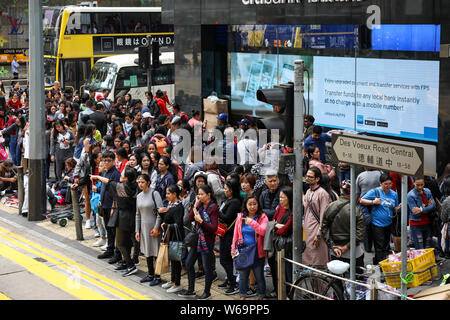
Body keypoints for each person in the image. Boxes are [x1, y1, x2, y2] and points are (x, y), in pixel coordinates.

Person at [91, 167, 139, 276]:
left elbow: (108, 182)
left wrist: (97, 177)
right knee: (127, 242)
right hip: (132, 216)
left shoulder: (121, 187)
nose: (120, 176)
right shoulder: (136, 187)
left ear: (126, 178)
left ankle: (131, 266)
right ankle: (126, 262)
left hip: (122, 217)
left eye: (123, 175)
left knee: (120, 243)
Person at [178, 185, 219, 300]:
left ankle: (207, 292)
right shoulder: (199, 204)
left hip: (207, 241)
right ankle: (191, 290)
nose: (199, 196)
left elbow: (213, 228)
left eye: (202, 194)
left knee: (207, 267)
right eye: (198, 194)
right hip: (197, 239)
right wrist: (195, 205)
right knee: (188, 263)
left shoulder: (213, 207)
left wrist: (201, 221)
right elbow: (189, 219)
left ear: (209, 194)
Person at [322, 180, 366, 269]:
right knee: (356, 279)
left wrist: (332, 246)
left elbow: (324, 228)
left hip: (335, 251)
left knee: (337, 280)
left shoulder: (330, 206)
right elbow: (360, 234)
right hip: (354, 252)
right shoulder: (356, 210)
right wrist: (346, 247)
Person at [231, 194, 268, 300]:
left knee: (259, 276)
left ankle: (261, 295)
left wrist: (252, 222)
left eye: (254, 204)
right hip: (243, 250)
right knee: (243, 276)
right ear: (245, 205)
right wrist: (233, 249)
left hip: (257, 251)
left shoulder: (262, 217)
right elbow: (236, 235)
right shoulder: (241, 217)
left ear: (258, 205)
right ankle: (243, 296)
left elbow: (263, 231)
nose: (252, 207)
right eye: (250, 204)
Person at [360, 173, 401, 264]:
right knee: (380, 246)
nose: (388, 186)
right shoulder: (375, 192)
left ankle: (377, 262)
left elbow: (394, 208)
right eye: (385, 184)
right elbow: (361, 200)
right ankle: (381, 266)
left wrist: (399, 208)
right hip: (377, 224)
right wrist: (373, 202)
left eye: (390, 184)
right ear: (380, 183)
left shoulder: (394, 194)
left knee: (385, 245)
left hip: (388, 223)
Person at [302, 167, 335, 268]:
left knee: (319, 262)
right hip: (307, 231)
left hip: (317, 231)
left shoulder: (322, 194)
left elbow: (324, 216)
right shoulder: (308, 191)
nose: (307, 178)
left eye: (310, 177)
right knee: (309, 263)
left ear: (317, 179)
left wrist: (319, 234)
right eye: (307, 176)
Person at [155, 184, 185, 292]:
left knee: (176, 260)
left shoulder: (179, 207)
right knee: (172, 259)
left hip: (176, 237)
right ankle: (172, 280)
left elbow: (178, 224)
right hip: (169, 236)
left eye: (168, 193)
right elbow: (167, 219)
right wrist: (160, 213)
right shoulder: (170, 204)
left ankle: (178, 284)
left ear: (175, 194)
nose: (166, 195)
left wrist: (166, 225)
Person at [135, 173, 163, 283]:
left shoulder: (154, 193)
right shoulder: (139, 196)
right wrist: (137, 230)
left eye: (142, 182)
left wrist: (156, 228)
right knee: (147, 251)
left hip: (154, 227)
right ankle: (150, 274)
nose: (140, 184)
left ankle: (158, 276)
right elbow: (137, 214)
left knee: (155, 251)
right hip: (143, 227)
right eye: (139, 182)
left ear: (148, 182)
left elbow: (160, 212)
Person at [267, 186, 294, 299]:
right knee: (274, 269)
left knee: (285, 271)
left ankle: (287, 293)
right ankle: (277, 291)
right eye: (280, 197)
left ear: (289, 198)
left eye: (283, 197)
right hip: (275, 244)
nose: (281, 199)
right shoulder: (279, 209)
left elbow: (285, 230)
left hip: (285, 246)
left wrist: (275, 225)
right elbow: (272, 222)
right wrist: (276, 225)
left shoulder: (293, 212)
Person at [97, 151, 122, 262]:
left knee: (114, 230)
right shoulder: (105, 172)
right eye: (104, 160)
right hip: (105, 205)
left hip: (112, 207)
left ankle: (117, 254)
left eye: (109, 160)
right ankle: (110, 249)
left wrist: (113, 207)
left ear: (113, 161)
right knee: (108, 228)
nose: (106, 163)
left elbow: (116, 192)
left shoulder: (115, 174)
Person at [217, 178, 242, 295]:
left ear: (232, 190)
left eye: (226, 189)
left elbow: (227, 218)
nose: (224, 191)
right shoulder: (228, 200)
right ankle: (229, 279)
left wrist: (217, 212)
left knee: (225, 259)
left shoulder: (235, 202)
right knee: (225, 259)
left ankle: (233, 283)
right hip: (224, 233)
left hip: (230, 235)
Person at [355, 167, 383, 253]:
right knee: (379, 224)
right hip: (378, 202)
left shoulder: (360, 176)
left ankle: (368, 247)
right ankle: (380, 245)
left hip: (364, 204)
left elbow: (357, 193)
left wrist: (355, 205)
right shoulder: (380, 173)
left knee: (366, 225)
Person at [407, 177, 436, 249]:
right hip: (416, 224)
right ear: (413, 183)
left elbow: (433, 206)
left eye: (422, 185)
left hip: (427, 222)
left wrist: (421, 209)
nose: (420, 187)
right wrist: (427, 206)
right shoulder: (410, 195)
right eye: (417, 185)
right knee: (419, 247)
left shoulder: (427, 191)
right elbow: (415, 213)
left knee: (428, 246)